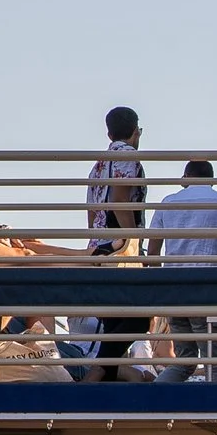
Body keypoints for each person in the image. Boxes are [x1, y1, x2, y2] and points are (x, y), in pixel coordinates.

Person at [70, 105, 147, 381]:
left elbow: (92, 208)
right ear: (136, 131)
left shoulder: (99, 162)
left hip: (100, 244)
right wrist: (132, 241)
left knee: (115, 318)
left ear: (108, 131)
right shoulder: (128, 156)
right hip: (120, 246)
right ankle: (100, 367)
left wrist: (94, 243)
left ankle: (103, 376)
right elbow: (119, 199)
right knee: (140, 316)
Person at [148, 159, 217, 384]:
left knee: (184, 360)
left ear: (185, 179)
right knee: (214, 359)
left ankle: (154, 396)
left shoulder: (167, 203)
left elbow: (153, 251)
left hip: (174, 290)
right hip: (210, 292)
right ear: (212, 180)